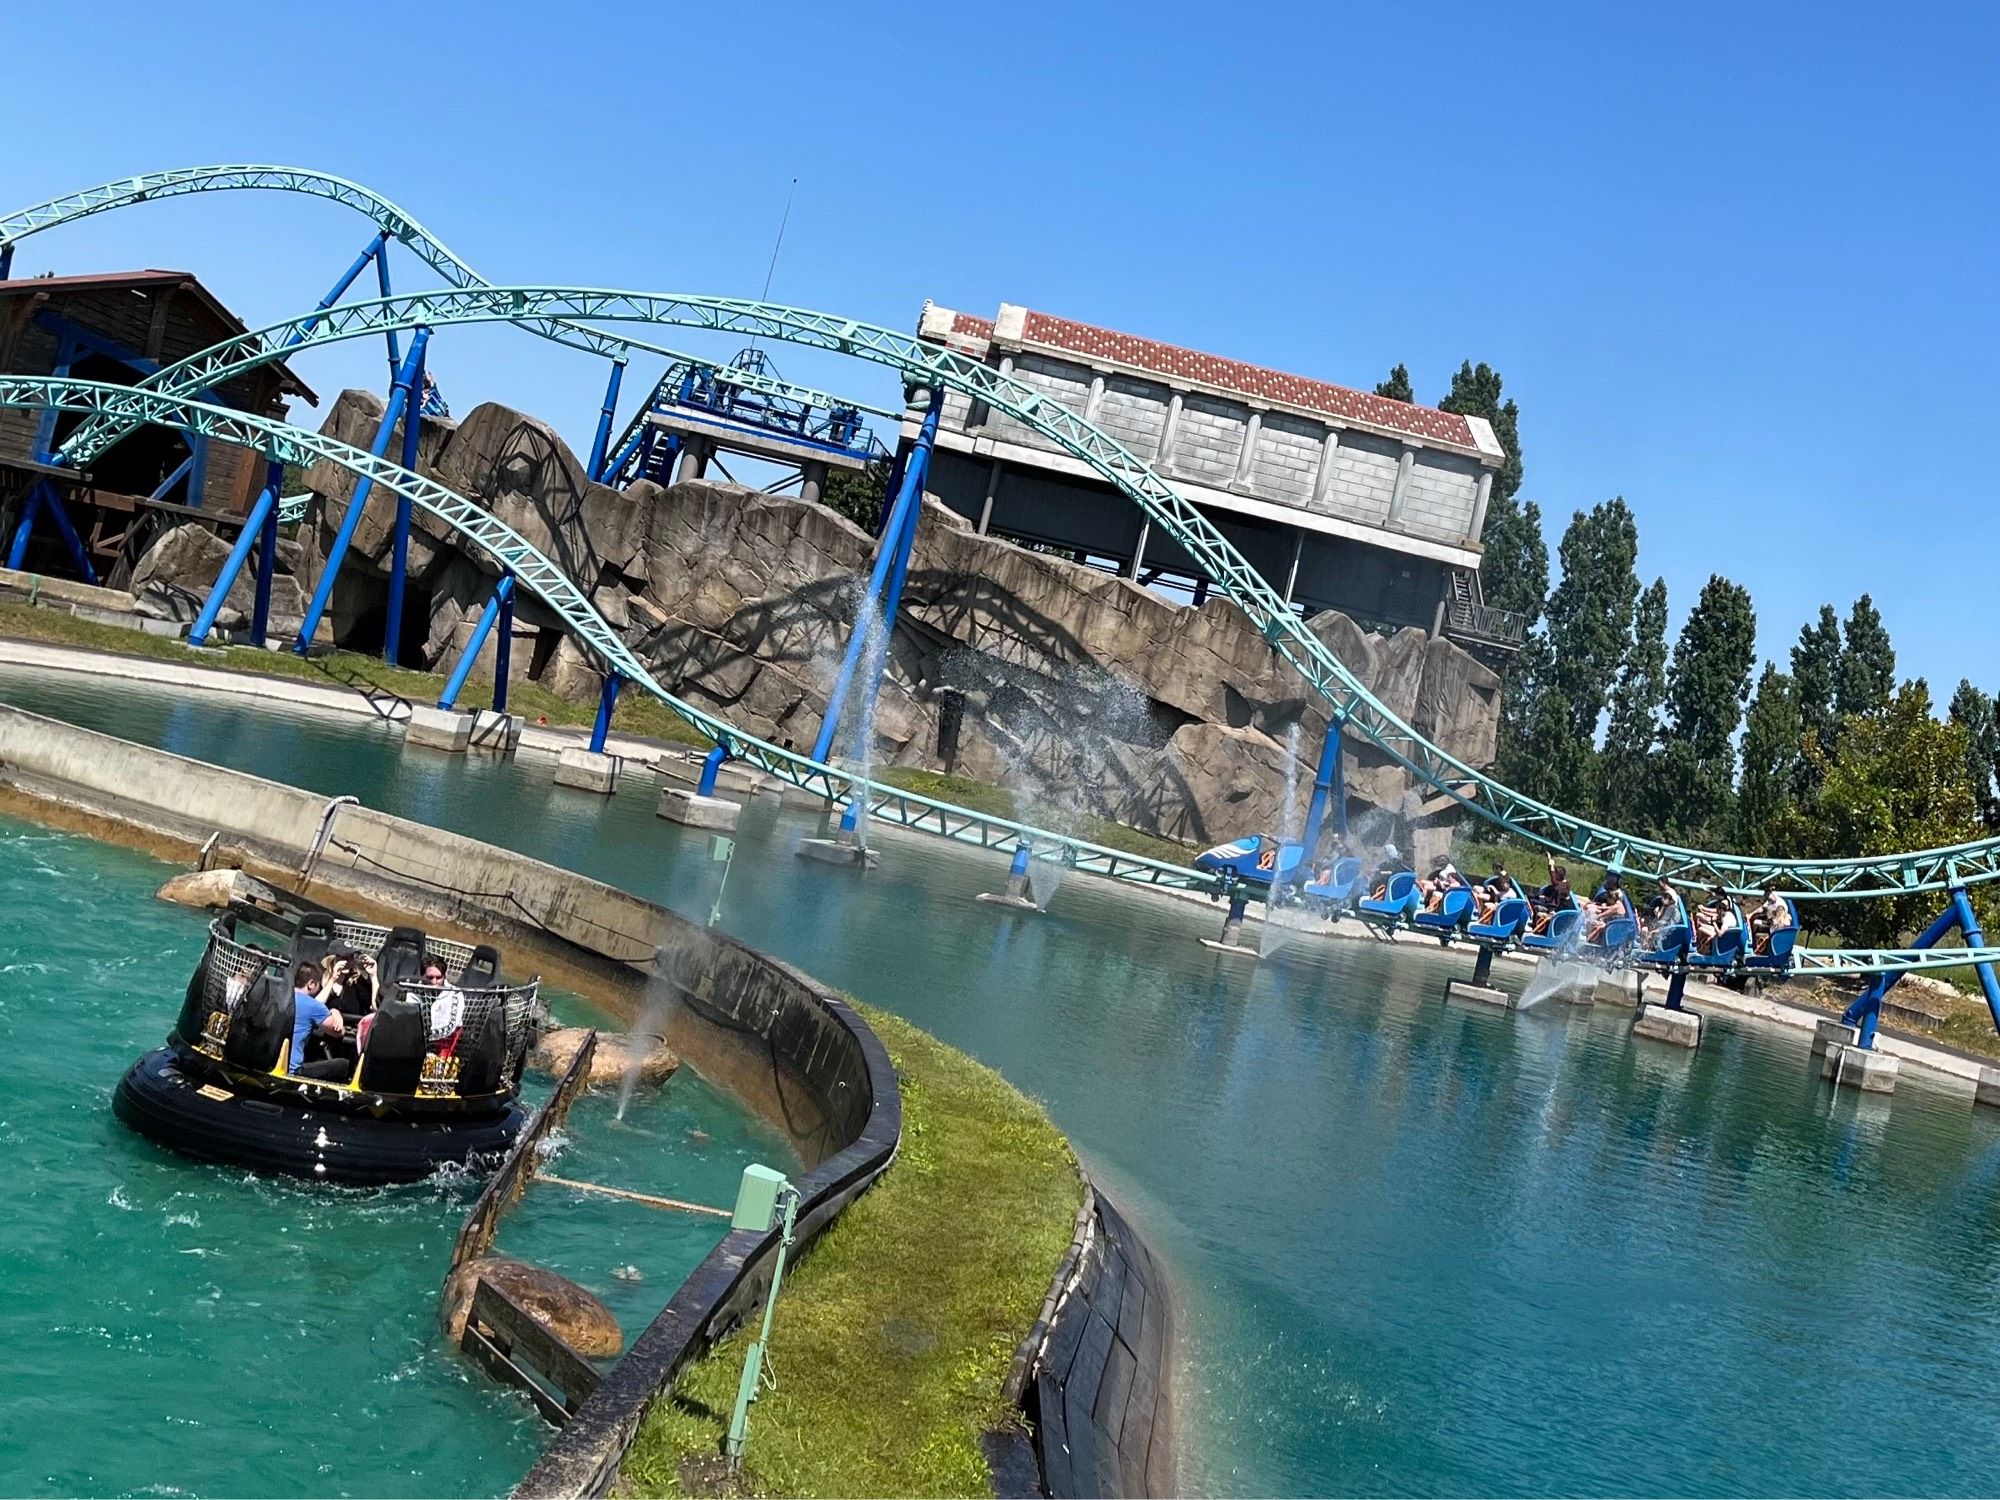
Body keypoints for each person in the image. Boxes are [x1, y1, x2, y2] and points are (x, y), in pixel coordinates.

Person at [289, 960, 348, 1079]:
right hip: (291, 1070)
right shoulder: (313, 1006)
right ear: (311, 983)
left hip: (269, 1063)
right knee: (343, 1065)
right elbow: (337, 1032)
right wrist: (336, 1013)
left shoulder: (279, 996)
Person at [422, 960, 466, 1055]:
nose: (434, 982)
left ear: (444, 976)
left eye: (438, 978)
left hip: (446, 1038)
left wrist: (428, 1034)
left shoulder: (455, 994)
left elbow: (450, 1025)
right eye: (430, 977)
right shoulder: (417, 990)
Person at [1643, 878, 1687, 944]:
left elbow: (1666, 922)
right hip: (1663, 924)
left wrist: (1657, 929)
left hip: (1665, 928)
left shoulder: (1671, 907)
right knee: (1645, 929)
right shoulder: (1666, 905)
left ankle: (1648, 944)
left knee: (1650, 932)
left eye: (1663, 899)